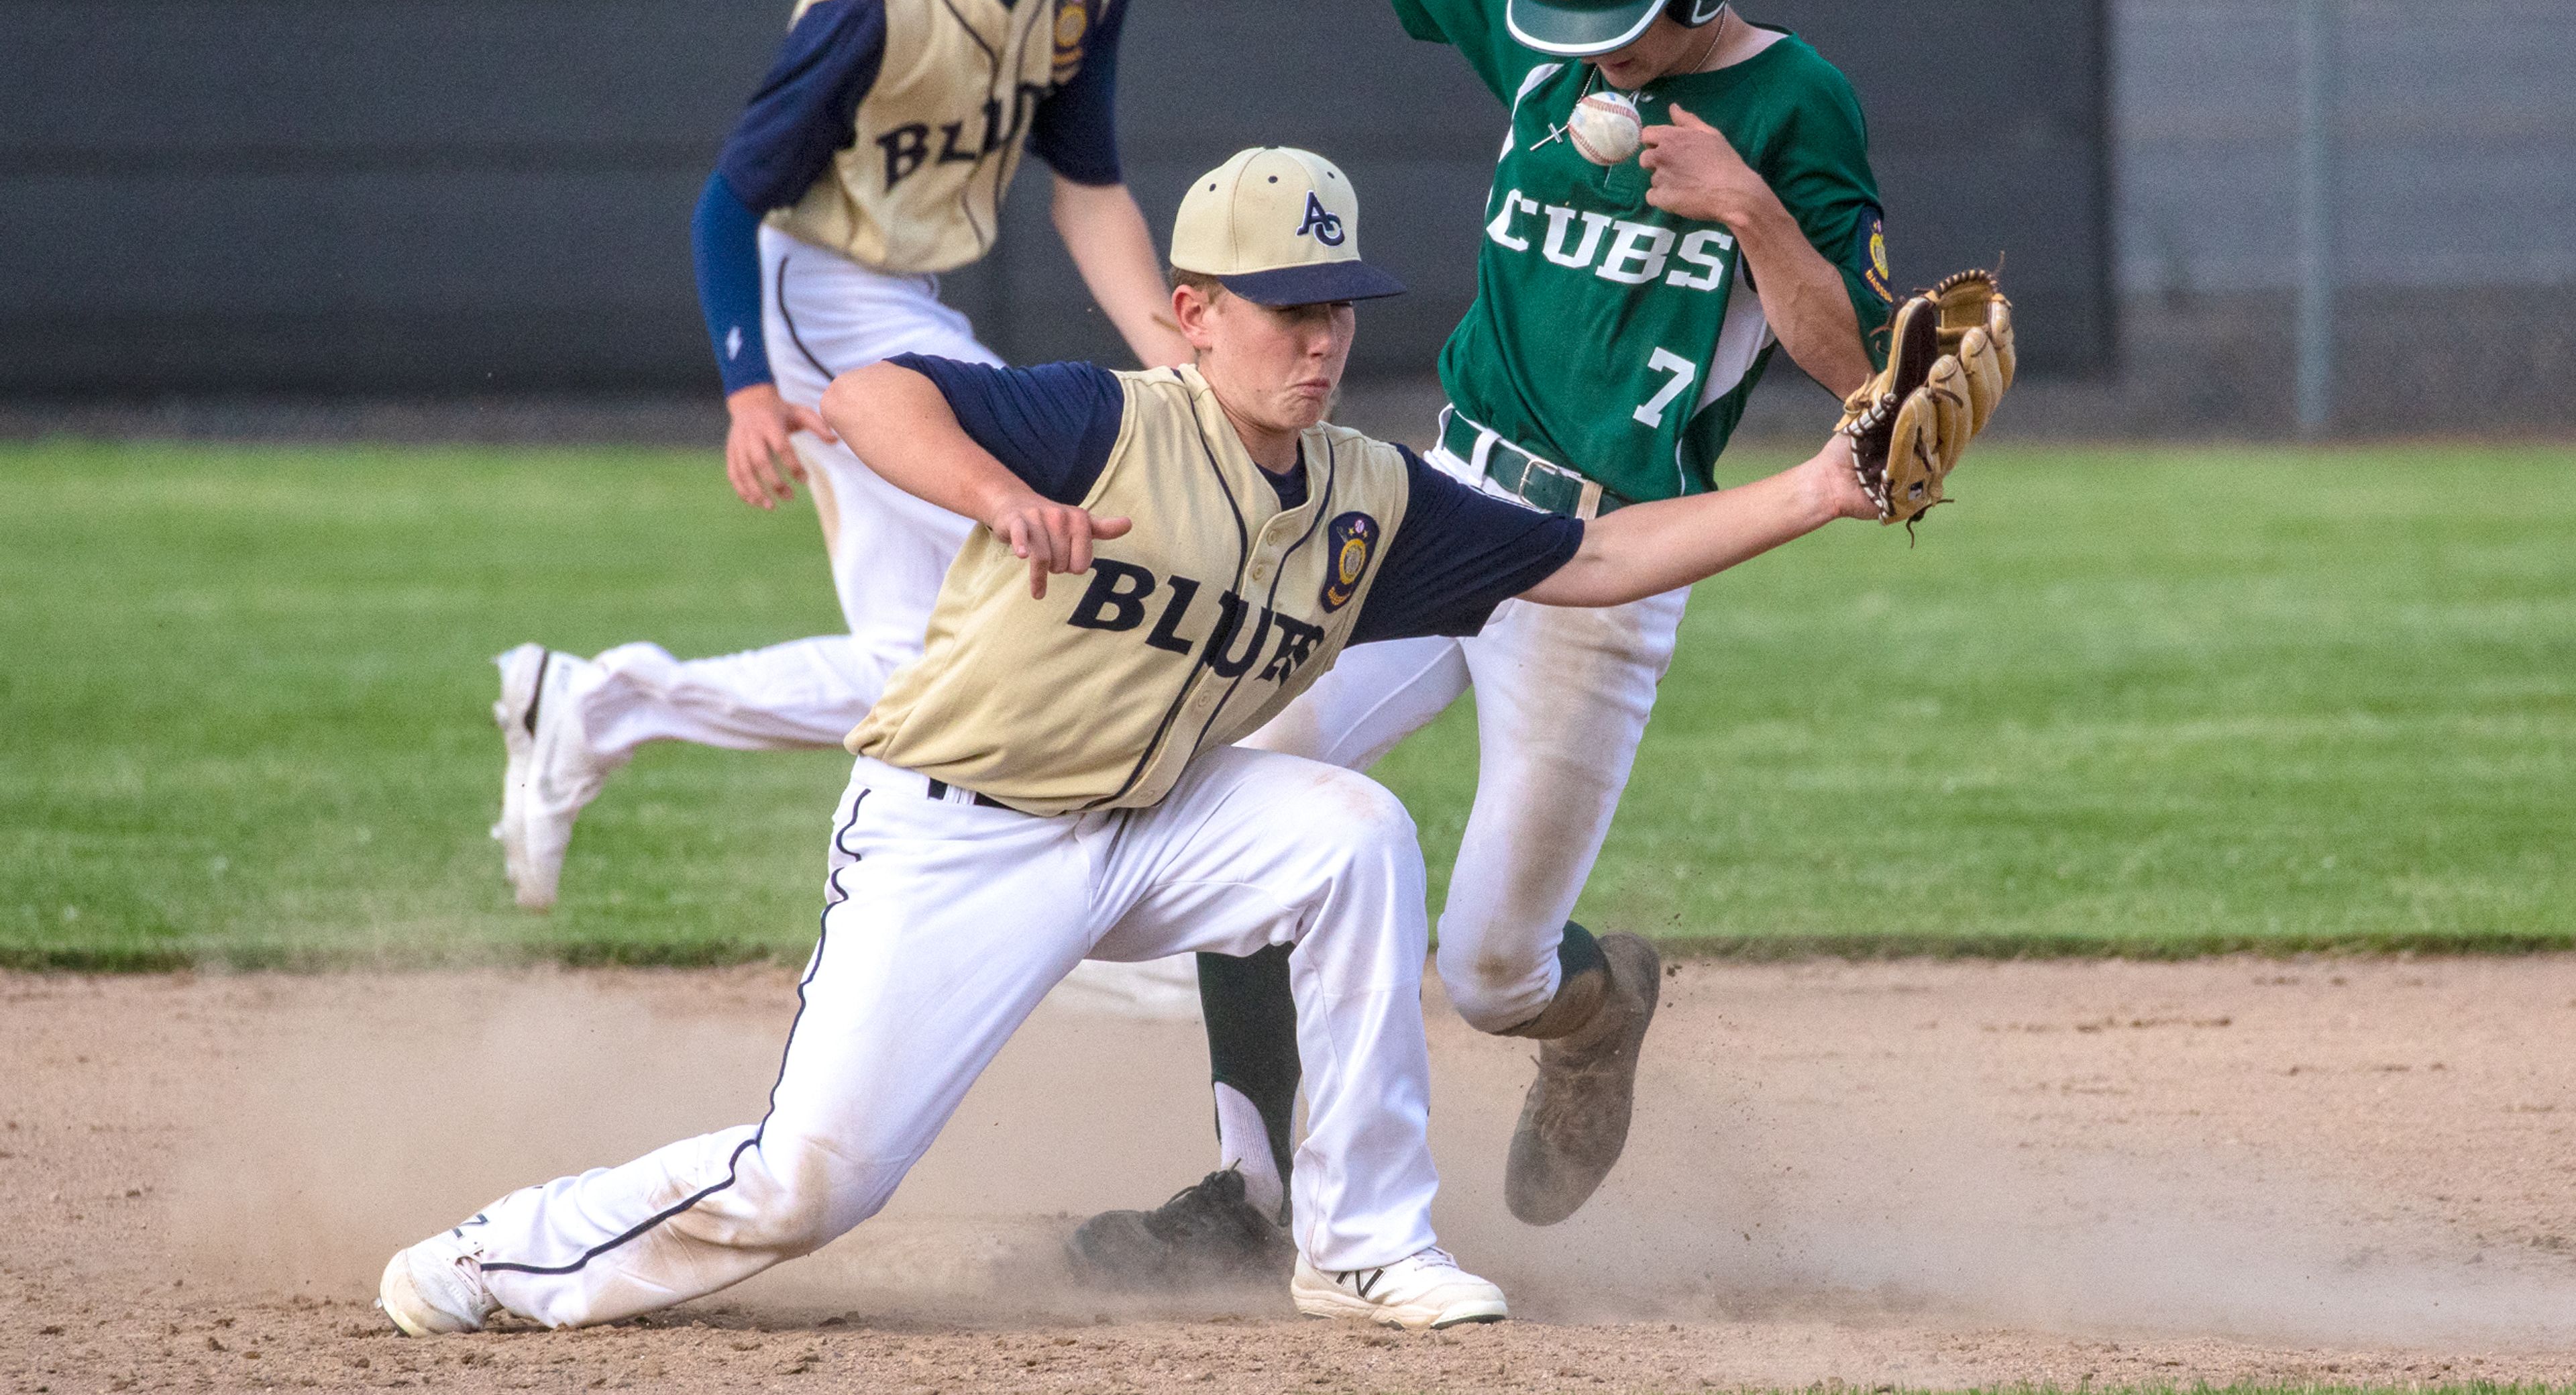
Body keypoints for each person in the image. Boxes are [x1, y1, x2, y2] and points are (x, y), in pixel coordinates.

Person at [378, 146, 1888, 1339]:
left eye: (1338, 303)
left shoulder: (1370, 491)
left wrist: (1823, 486)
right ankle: (494, 1259)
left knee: (1350, 834)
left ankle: (1360, 1245)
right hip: (957, 832)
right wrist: (992, 498)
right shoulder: (1108, 423)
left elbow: (1595, 561)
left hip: (1155, 823)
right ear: (1193, 315)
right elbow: (871, 392)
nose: (1320, 336)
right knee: (811, 1183)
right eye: (1285, 306)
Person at [1064, 0, 1902, 1278]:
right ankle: (1252, 1202)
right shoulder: (1537, 36)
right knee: (1236, 779)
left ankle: (1606, 1010)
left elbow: (1861, 370)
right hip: (1431, 502)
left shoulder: (1794, 102)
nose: (1592, 47)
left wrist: (1751, 206)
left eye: (1622, 18)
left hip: (1606, 562)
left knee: (1492, 970)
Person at [489, 0, 1188, 912]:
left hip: (898, 296)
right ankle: (1083, 899)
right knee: (1044, 549)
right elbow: (726, 204)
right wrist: (750, 388)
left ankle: (599, 702)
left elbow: (1088, 190)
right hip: (818, 290)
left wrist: (1175, 355)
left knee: (916, 659)